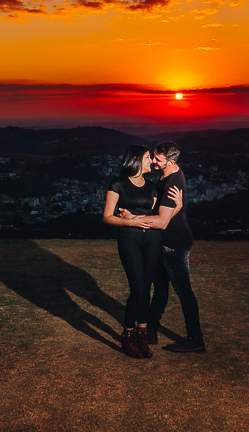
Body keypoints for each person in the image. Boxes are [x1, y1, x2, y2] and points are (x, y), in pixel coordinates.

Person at [101, 145, 181, 358]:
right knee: (138, 289)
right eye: (147, 158)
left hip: (153, 239)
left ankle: (142, 335)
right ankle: (128, 334)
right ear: (136, 159)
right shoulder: (117, 184)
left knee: (146, 289)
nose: (151, 162)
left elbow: (159, 218)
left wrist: (177, 208)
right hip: (129, 239)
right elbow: (107, 216)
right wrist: (132, 223)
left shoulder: (153, 186)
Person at [147, 141, 205, 353]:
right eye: (153, 157)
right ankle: (150, 329)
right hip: (166, 242)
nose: (153, 161)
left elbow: (162, 222)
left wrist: (131, 219)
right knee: (161, 289)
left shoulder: (172, 182)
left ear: (170, 162)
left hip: (174, 243)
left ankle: (195, 338)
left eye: (158, 159)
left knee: (183, 292)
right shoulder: (170, 175)